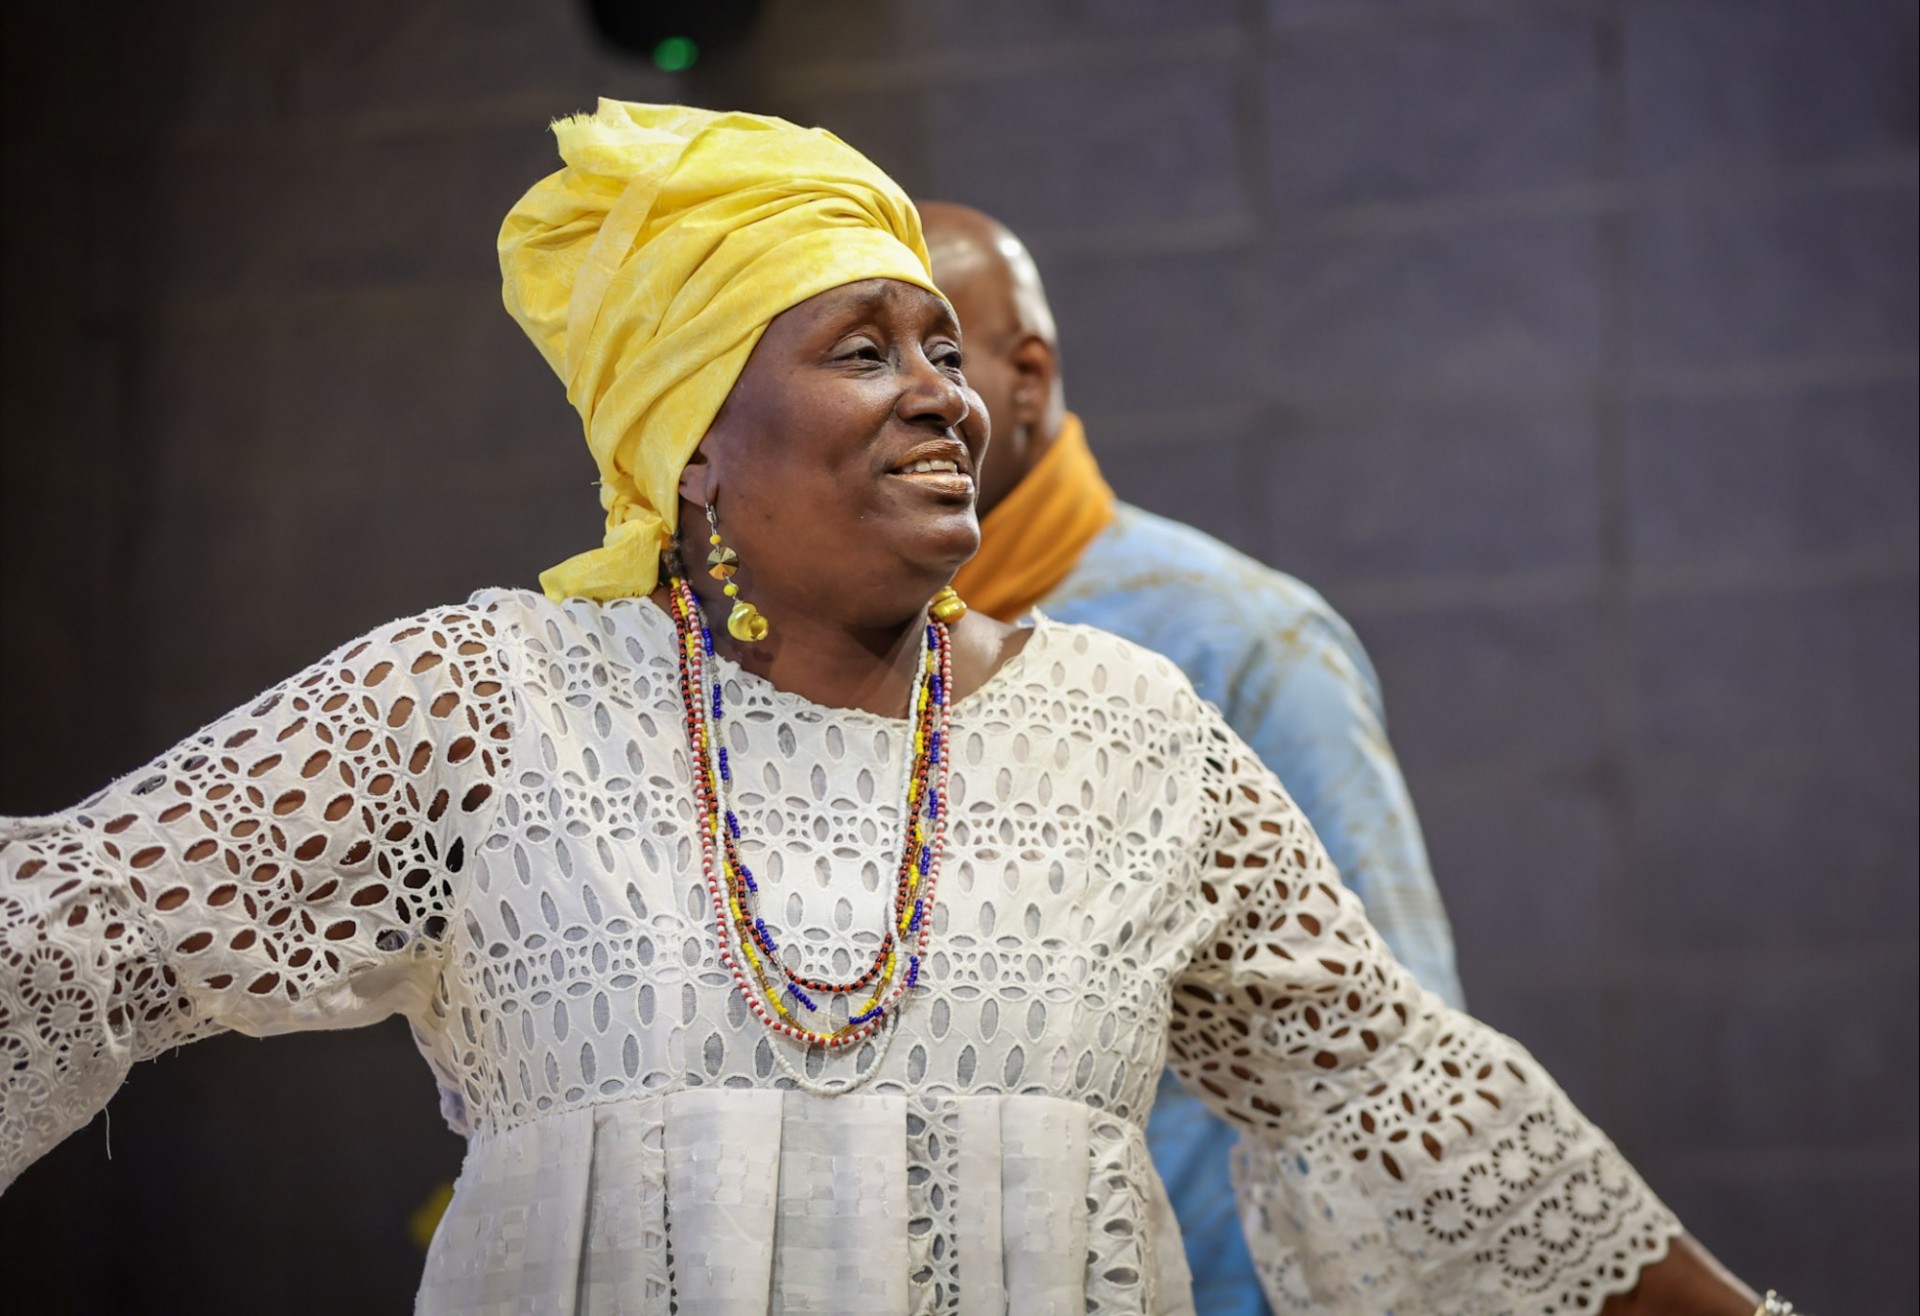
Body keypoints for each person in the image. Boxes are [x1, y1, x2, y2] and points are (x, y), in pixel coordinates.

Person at [0, 100, 1778, 1315]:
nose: (941, 397)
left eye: (945, 346)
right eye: (862, 350)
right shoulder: (478, 704)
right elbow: (58, 941)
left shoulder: (1134, 730)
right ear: (690, 443)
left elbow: (1417, 1104)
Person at [921, 201, 1464, 1315]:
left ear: (1026, 376)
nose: (898, 397)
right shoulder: (826, 665)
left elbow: (1397, 1064)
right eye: (854, 356)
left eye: (934, 352)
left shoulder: (1243, 640)